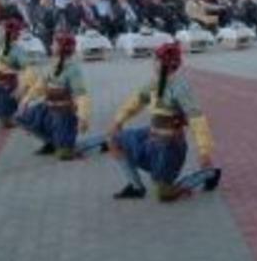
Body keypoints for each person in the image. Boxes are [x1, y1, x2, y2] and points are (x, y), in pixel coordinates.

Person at [107, 43, 221, 202]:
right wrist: (118, 121)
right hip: (151, 136)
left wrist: (204, 152)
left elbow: (197, 119)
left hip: (170, 146)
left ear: (164, 63)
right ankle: (136, 187)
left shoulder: (180, 87)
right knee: (113, 140)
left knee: (164, 194)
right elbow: (137, 100)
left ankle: (209, 173)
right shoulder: (155, 82)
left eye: (156, 59)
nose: (153, 63)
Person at [16, 32, 93, 161]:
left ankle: (67, 144)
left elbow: (81, 95)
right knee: (21, 117)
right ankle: (53, 142)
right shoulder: (54, 64)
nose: (51, 46)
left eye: (54, 44)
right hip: (48, 110)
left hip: (64, 115)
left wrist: (82, 118)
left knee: (64, 155)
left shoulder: (73, 70)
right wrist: (26, 101)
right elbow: (40, 85)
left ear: (61, 48)